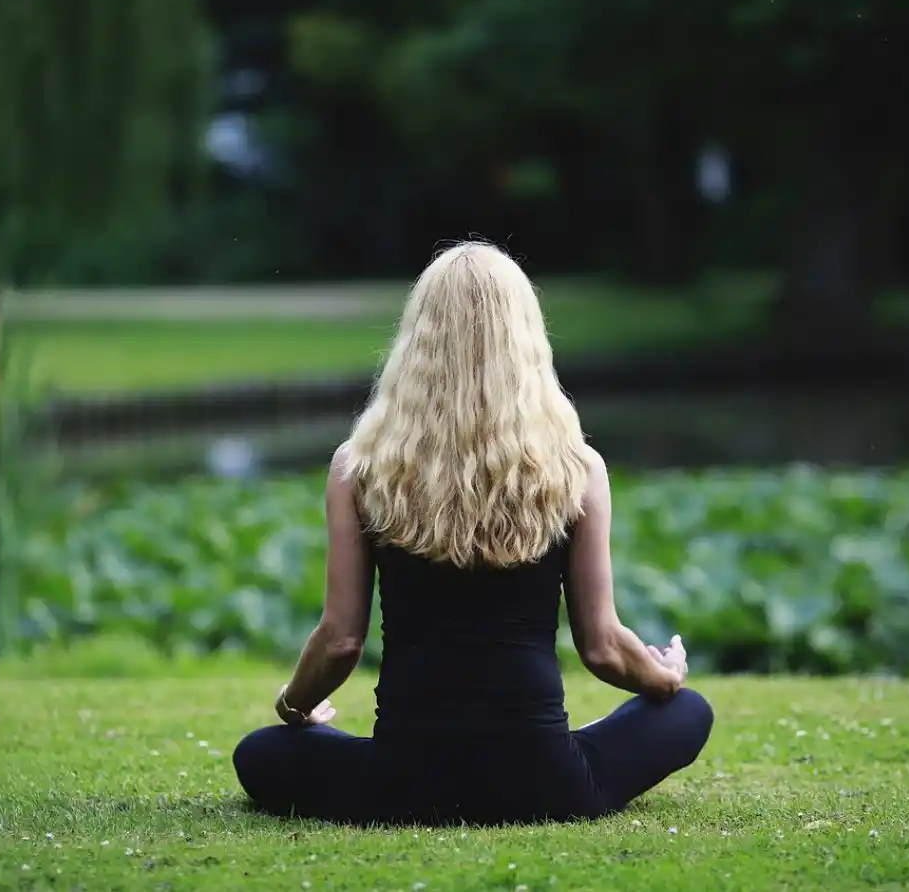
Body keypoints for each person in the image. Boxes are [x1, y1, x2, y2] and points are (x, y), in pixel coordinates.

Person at [233, 241, 714, 826]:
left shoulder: (360, 468)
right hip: (548, 783)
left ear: (418, 340)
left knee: (259, 753)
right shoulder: (576, 468)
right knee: (687, 710)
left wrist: (293, 706)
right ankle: (568, 741)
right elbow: (603, 647)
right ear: (525, 338)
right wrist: (662, 677)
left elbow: (340, 641)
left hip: (403, 784)